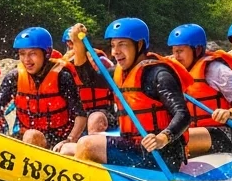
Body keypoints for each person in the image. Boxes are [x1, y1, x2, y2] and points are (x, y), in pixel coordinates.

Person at [70, 18, 191, 172]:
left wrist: (162, 138)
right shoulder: (120, 73)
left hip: (161, 154)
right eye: (113, 46)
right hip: (134, 146)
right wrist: (78, 45)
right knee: (68, 149)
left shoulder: (158, 74)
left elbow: (183, 114)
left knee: (86, 145)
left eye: (122, 44)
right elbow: (89, 79)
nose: (115, 52)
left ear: (139, 45)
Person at [0, 27, 85, 150]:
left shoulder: (62, 77)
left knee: (32, 136)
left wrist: (69, 140)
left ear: (46, 53)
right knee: (29, 135)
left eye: (32, 54)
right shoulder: (14, 77)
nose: (26, 60)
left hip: (58, 140)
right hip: (25, 137)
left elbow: (81, 116)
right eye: (22, 54)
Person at [167, 23, 232, 157]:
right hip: (189, 130)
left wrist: (229, 113)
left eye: (180, 51)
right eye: (174, 51)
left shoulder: (217, 71)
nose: (176, 56)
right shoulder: (171, 70)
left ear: (198, 50)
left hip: (222, 133)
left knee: (170, 140)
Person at [62, 26, 116, 136]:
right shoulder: (63, 68)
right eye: (70, 43)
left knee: (95, 118)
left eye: (74, 43)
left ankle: (91, 145)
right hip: (77, 115)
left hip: (102, 113)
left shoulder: (101, 61)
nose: (72, 47)